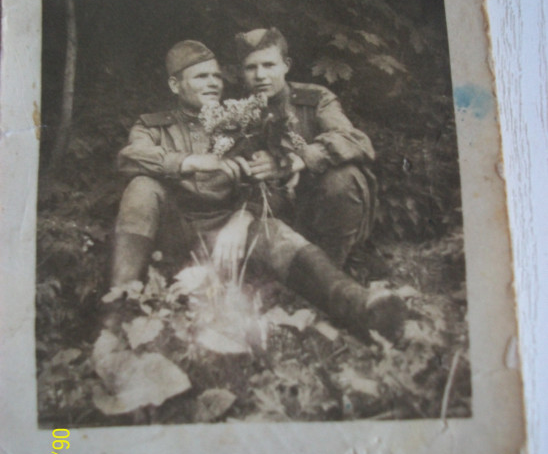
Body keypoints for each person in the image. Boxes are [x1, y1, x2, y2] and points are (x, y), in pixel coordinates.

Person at [110, 40, 403, 342]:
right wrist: (189, 161)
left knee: (276, 233)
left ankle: (359, 305)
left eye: (216, 76)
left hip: (228, 236)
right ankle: (116, 313)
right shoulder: (153, 127)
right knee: (141, 187)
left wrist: (243, 217)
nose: (212, 83)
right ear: (175, 85)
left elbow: (269, 187)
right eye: (201, 76)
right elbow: (128, 158)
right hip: (176, 233)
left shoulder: (242, 122)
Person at [236, 28, 377, 270]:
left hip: (320, 208)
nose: (260, 75)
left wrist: (298, 158)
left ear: (286, 65)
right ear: (242, 72)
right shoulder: (236, 112)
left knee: (343, 179)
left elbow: (355, 140)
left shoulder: (314, 98)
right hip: (273, 211)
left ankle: (334, 268)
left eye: (269, 65)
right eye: (251, 67)